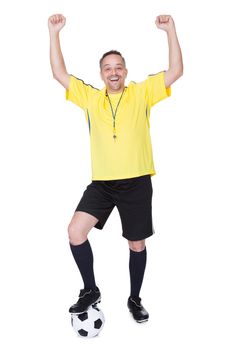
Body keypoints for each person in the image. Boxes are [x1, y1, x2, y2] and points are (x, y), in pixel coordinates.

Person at [48, 13, 183, 323]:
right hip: (103, 184)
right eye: (107, 68)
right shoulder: (91, 98)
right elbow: (59, 72)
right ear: (101, 73)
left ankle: (135, 299)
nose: (113, 72)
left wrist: (170, 30)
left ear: (125, 72)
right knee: (75, 231)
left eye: (118, 67)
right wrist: (54, 32)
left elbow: (176, 71)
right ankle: (90, 290)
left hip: (136, 182)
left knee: (136, 243)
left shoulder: (141, 92)